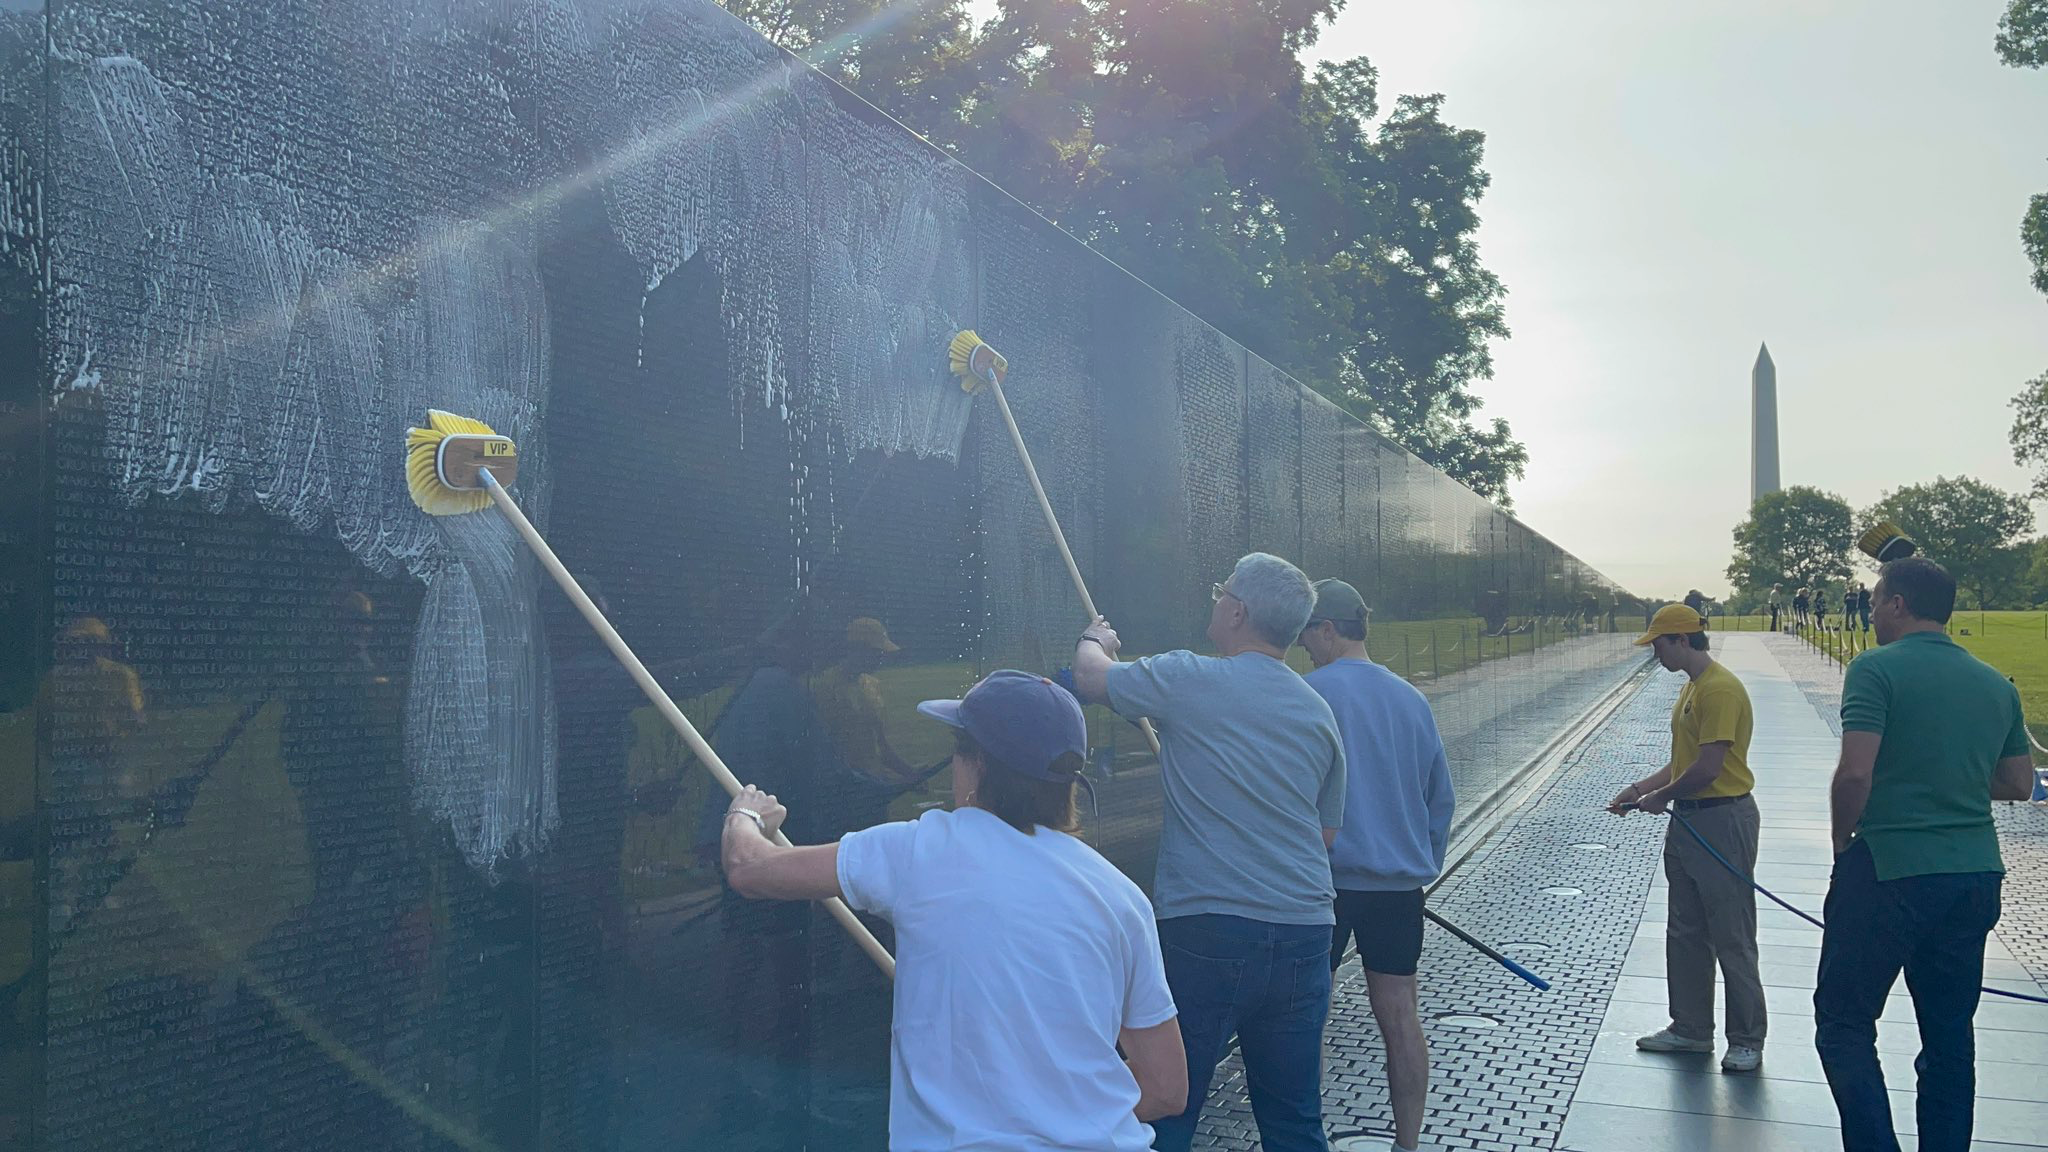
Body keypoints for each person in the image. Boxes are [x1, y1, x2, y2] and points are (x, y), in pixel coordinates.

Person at [720, 670, 1189, 1150]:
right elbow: (1168, 1089)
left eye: (957, 750)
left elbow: (749, 869)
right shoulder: (1124, 899)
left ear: (977, 764)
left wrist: (746, 815)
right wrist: (1063, 1113)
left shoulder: (922, 849)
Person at [1071, 552, 1346, 1152]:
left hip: (1208, 933)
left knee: (1168, 1106)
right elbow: (1324, 836)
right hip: (1305, 934)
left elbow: (1091, 678)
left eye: (1222, 592)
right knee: (1295, 1122)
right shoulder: (1318, 712)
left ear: (1237, 611)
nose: (1216, 600)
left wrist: (1096, 639)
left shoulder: (1189, 678)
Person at [1813, 556, 2036, 1152]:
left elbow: (1855, 773)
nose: (1871, 609)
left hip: (1889, 866)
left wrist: (1841, 842)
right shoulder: (1994, 683)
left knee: (1844, 1022)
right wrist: (1950, 776)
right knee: (1948, 1036)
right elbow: (2018, 784)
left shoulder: (1875, 669)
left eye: (1876, 597)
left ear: (1898, 604)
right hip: (1973, 875)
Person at [1296, 580, 1452, 1152]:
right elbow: (1441, 797)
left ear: (1329, 629)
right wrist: (1418, 864)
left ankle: (1305, 1138)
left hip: (1325, 885)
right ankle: (1407, 1144)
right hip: (1397, 888)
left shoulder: (1308, 694)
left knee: (1308, 1016)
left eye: (1307, 633)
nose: (1302, 645)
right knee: (1400, 1016)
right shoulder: (1411, 699)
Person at [1608, 603, 1766, 1073]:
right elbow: (1684, 763)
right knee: (1686, 930)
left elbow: (1709, 768)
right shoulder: (1694, 689)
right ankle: (1691, 1029)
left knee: (1732, 934)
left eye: (1657, 644)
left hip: (1721, 819)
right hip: (1691, 819)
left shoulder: (1720, 689)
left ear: (1679, 639)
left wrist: (1662, 797)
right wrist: (1641, 789)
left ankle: (1746, 1039)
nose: (1654, 653)